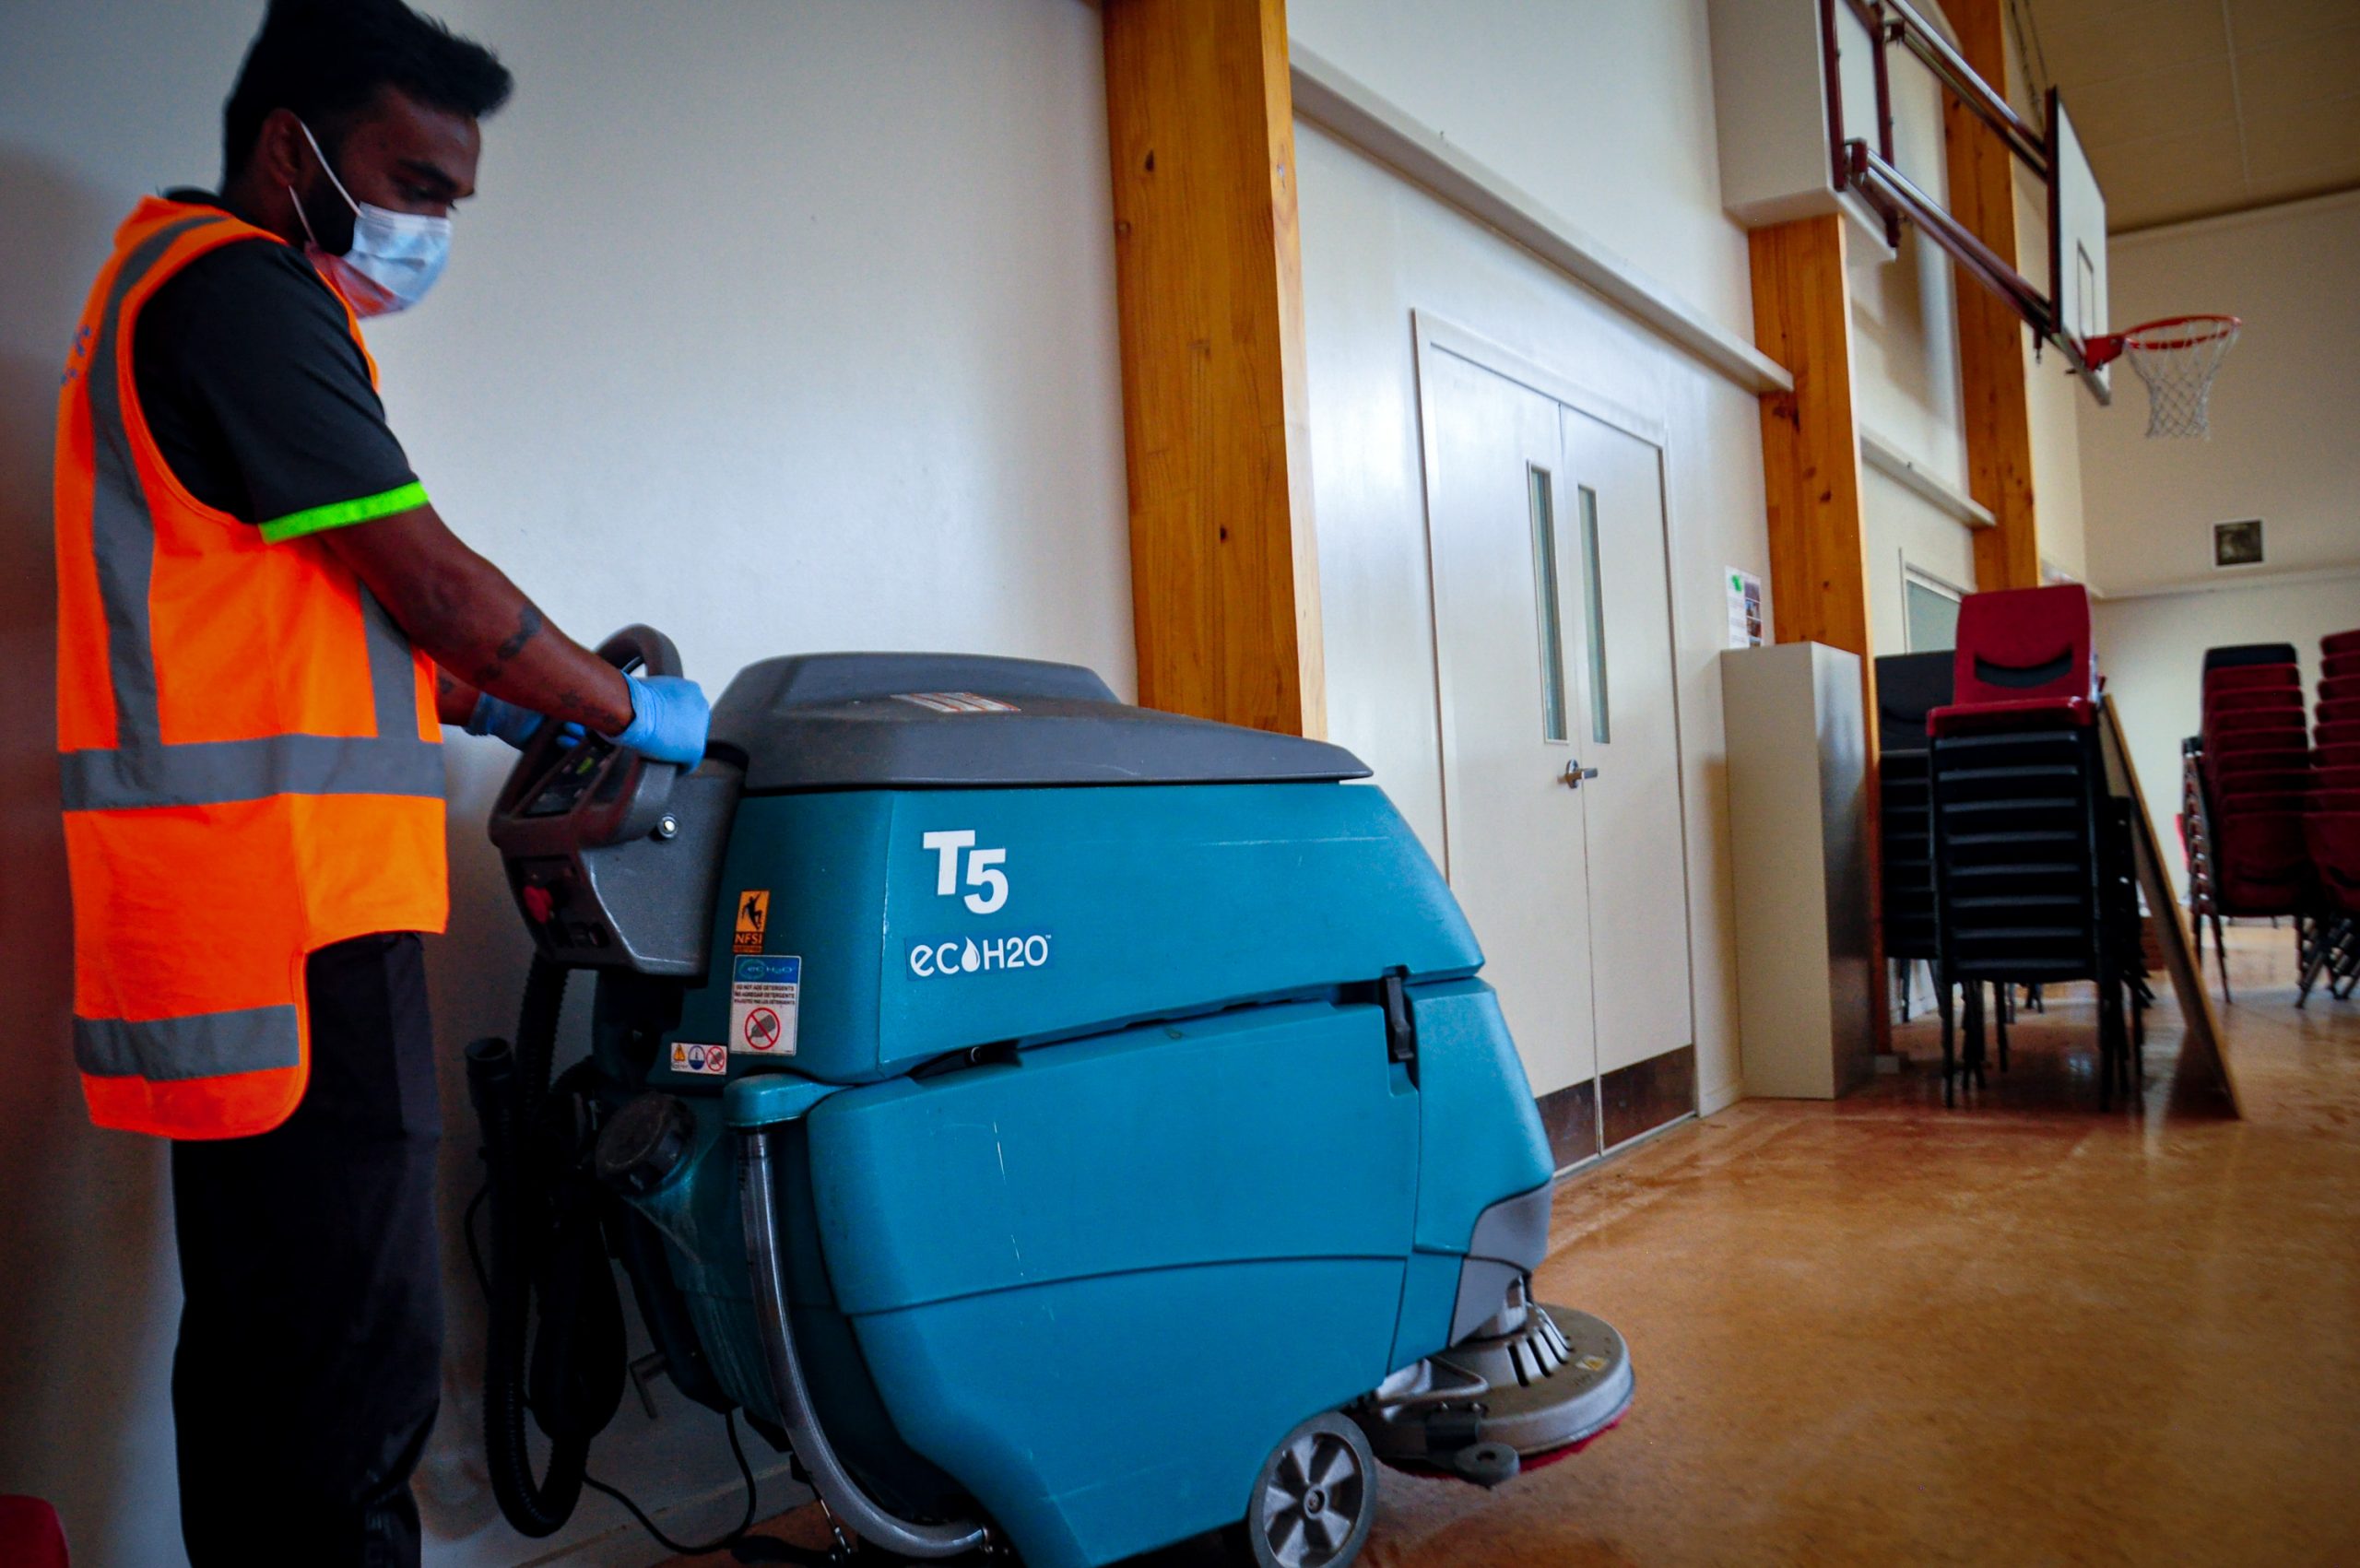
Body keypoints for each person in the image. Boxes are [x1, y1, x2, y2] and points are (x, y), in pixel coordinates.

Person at [51, 2, 709, 1562]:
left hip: (241, 922)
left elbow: (326, 613)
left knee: (269, 1350)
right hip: (292, 924)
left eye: (454, 201)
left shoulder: (194, 292)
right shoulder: (237, 294)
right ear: (292, 151)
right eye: (413, 184)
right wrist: (628, 706)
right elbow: (430, 581)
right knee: (350, 1376)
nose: (431, 229)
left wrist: (499, 704)